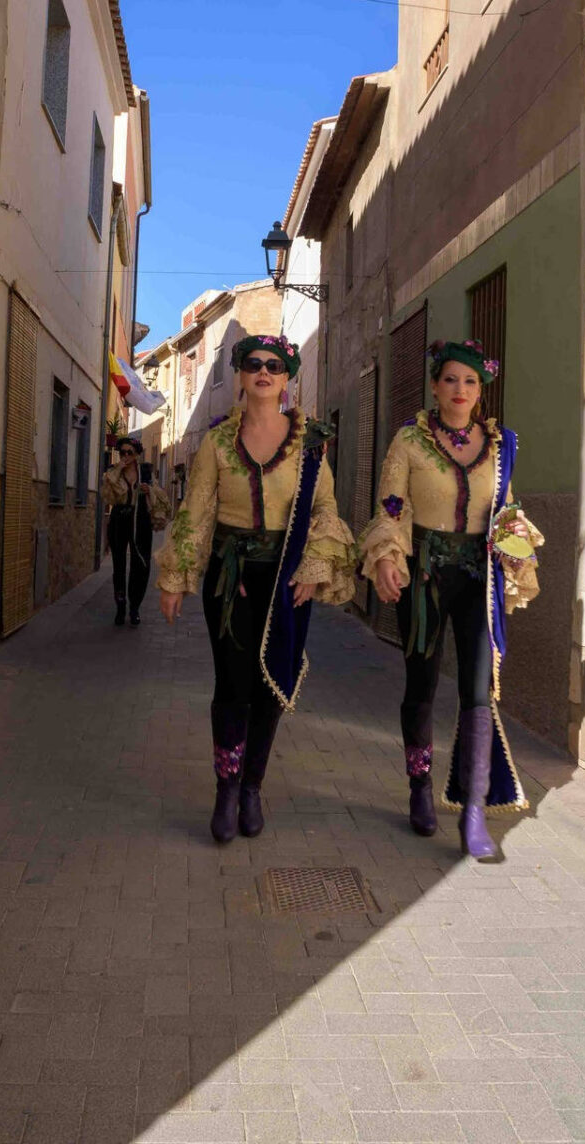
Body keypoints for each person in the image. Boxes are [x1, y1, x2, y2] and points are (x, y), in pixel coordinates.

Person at [157, 334, 356, 844]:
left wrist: (314, 566)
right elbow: (195, 512)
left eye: (274, 365)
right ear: (241, 375)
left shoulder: (309, 444)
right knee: (232, 684)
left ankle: (252, 788)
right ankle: (226, 790)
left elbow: (325, 508)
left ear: (287, 377)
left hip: (286, 579)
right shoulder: (217, 443)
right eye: (253, 364)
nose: (263, 372)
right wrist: (176, 577)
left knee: (271, 684)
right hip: (231, 578)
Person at [359, 339, 543, 861]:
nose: (460, 389)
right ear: (435, 387)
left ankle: (474, 810)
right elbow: (391, 507)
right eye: (450, 380)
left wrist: (515, 545)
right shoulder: (409, 441)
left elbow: (505, 510)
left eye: (470, 382)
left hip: (478, 580)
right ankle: (419, 787)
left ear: (480, 391)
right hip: (425, 575)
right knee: (421, 683)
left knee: (479, 689)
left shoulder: (501, 445)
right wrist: (388, 557)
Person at [104, 437, 169, 625]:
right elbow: (108, 493)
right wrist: (118, 468)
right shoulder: (113, 472)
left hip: (140, 519)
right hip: (119, 518)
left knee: (141, 563)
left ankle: (134, 607)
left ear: (137, 454)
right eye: (122, 452)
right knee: (119, 565)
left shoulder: (146, 473)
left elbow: (161, 495)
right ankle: (120, 606)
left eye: (129, 452)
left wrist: (149, 491)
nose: (125, 456)